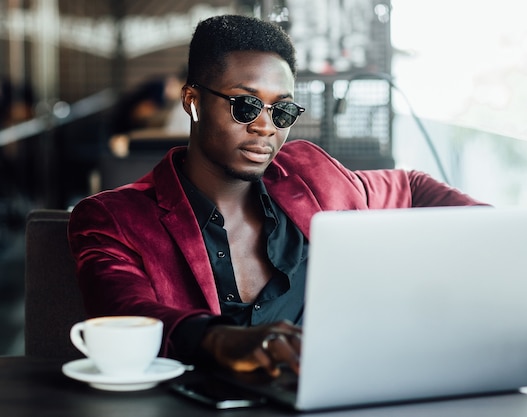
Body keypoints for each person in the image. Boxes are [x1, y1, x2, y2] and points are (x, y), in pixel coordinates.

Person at [68, 14, 486, 378]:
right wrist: (221, 341)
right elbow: (124, 314)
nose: (265, 127)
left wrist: (491, 230)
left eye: (281, 110)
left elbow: (410, 186)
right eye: (246, 105)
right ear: (192, 101)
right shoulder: (112, 217)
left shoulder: (310, 175)